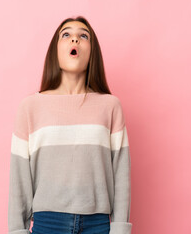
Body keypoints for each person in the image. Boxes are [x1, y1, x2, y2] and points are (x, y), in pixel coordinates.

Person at [8, 16, 132, 234]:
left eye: (83, 36)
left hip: (99, 226)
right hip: (47, 225)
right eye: (66, 34)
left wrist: (120, 229)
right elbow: (19, 178)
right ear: (55, 50)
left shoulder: (110, 106)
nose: (75, 39)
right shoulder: (30, 107)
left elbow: (121, 174)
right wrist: (17, 230)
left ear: (92, 52)